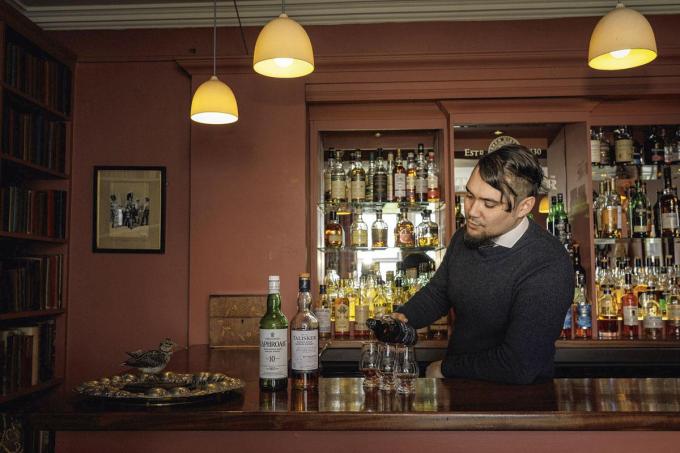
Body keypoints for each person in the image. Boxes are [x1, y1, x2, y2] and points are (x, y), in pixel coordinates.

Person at [394, 144, 573, 385]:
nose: (472, 211)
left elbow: (518, 365)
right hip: (459, 393)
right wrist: (402, 318)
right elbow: (439, 292)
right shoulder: (466, 237)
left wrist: (445, 368)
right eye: (469, 196)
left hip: (521, 407)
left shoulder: (547, 264)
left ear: (524, 207)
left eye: (488, 204)